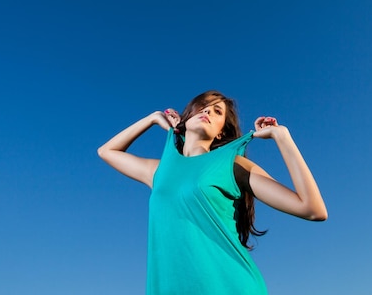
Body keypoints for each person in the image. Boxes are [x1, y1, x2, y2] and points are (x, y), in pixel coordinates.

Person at [98, 90, 327, 294]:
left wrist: (282, 137)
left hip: (230, 285)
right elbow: (106, 151)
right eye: (203, 106)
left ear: (220, 132)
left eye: (217, 111)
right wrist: (152, 118)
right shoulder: (158, 171)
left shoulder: (231, 164)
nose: (208, 110)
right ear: (185, 120)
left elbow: (312, 208)